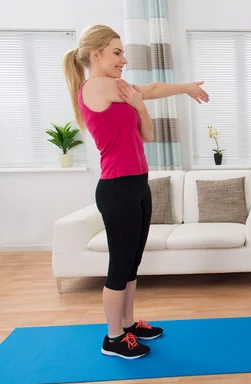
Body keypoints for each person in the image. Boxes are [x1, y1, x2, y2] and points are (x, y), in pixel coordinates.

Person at [63, 24, 209, 359]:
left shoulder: (115, 91)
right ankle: (113, 338)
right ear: (94, 54)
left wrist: (143, 106)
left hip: (136, 184)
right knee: (120, 265)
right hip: (117, 188)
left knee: (132, 263)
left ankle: (127, 325)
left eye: (122, 52)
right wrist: (183, 87)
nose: (123, 59)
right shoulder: (98, 86)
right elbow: (152, 89)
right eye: (117, 52)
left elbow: (147, 135)